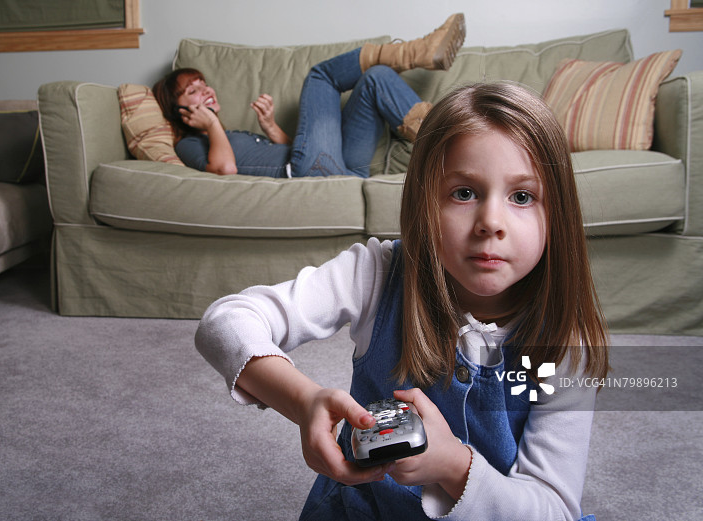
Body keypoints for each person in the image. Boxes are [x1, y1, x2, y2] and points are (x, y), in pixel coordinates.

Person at [195, 82, 609, 520]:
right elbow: (226, 320)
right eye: (463, 193)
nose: (491, 222)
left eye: (521, 197)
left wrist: (456, 467)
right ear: (424, 202)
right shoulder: (378, 272)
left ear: (557, 214)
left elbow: (553, 510)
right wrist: (304, 402)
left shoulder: (568, 344)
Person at [153, 14, 466, 178]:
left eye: (203, 83)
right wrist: (212, 127)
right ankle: (414, 51)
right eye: (192, 91)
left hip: (342, 168)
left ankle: (449, 141)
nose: (206, 89)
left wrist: (271, 127)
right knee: (321, 75)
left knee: (376, 77)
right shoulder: (189, 145)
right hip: (313, 172)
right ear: (177, 110)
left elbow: (296, 150)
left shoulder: (224, 134)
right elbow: (225, 171)